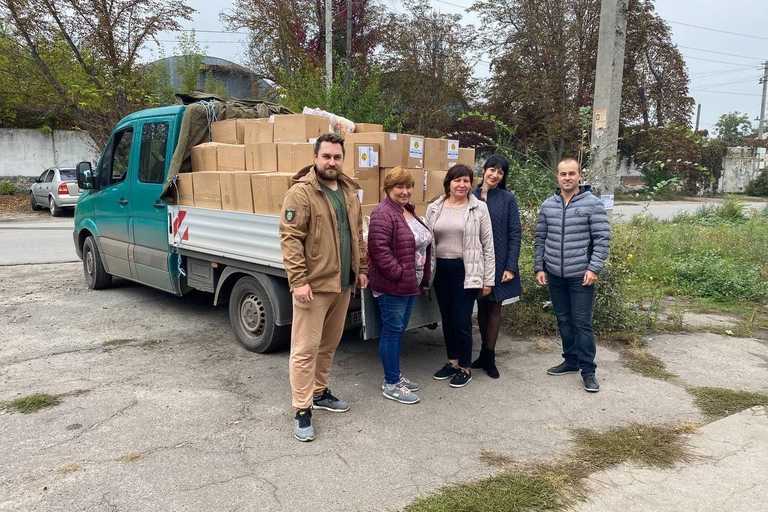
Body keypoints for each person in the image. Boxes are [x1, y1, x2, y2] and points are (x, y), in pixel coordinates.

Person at [279, 133, 368, 442]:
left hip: (342, 283)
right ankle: (302, 409)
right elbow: (290, 239)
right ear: (316, 157)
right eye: (326, 156)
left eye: (337, 156)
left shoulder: (348, 191)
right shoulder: (301, 193)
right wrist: (299, 280)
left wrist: (362, 269)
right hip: (313, 286)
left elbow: (357, 234)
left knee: (328, 345)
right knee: (304, 349)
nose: (332, 162)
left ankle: (319, 391)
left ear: (343, 159)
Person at [534, 157, 611, 393]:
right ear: (557, 177)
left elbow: (602, 239)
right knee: (563, 320)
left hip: (581, 276)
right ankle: (570, 361)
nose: (567, 178)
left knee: (582, 324)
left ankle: (588, 371)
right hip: (555, 275)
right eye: (563, 174)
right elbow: (540, 238)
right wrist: (539, 267)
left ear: (579, 176)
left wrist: (593, 268)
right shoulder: (548, 205)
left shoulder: (593, 204)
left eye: (571, 173)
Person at [425, 164, 495, 388]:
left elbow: (488, 245)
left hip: (467, 270)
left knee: (461, 320)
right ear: (449, 183)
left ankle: (465, 366)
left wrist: (488, 279)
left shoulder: (479, 208)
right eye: (457, 180)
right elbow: (427, 241)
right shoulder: (435, 207)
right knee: (446, 319)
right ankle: (452, 361)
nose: (462, 185)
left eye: (466, 181)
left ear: (471, 184)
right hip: (441, 270)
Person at [368, 167, 433, 405]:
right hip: (392, 286)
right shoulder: (383, 214)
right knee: (392, 332)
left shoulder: (407, 210)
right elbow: (380, 251)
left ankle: (395, 376)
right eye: (399, 187)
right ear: (388, 189)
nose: (405, 191)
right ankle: (391, 384)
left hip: (408, 284)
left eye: (408, 186)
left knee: (398, 331)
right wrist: (400, 273)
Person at [472, 155, 522, 379]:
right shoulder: (469, 194)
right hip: (474, 261)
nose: (494, 175)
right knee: (479, 307)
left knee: (494, 308)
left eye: (500, 172)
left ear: (503, 176)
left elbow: (515, 233)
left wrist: (510, 266)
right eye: (492, 169)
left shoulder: (507, 198)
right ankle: (481, 353)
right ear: (484, 170)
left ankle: (489, 356)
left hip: (500, 261)